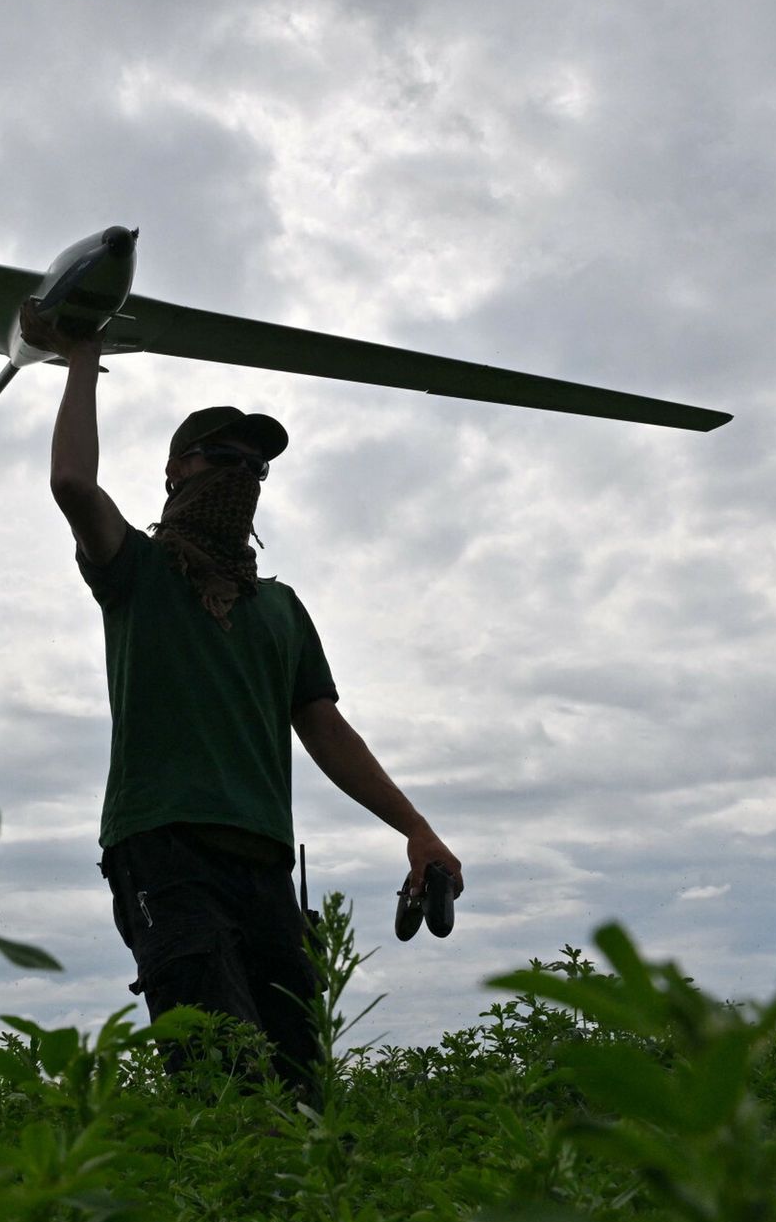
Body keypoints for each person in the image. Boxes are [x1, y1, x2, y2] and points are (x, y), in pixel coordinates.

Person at [28, 303, 462, 1097]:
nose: (243, 476)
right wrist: (83, 352)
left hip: (264, 865)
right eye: (222, 456)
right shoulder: (139, 573)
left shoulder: (281, 608)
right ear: (175, 472)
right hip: (165, 851)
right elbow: (71, 483)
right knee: (217, 1076)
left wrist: (417, 830)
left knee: (301, 1083)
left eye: (257, 467)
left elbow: (326, 731)